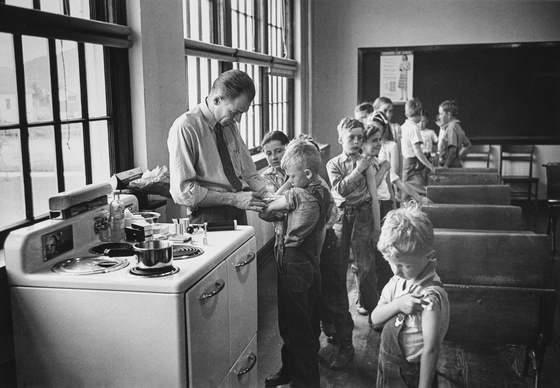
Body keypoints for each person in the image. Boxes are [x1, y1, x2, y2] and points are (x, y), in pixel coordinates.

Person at [259, 138, 332, 388]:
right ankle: (290, 370)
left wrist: (287, 186)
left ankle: (304, 381)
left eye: (291, 175)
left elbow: (265, 210)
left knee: (293, 325)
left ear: (307, 173)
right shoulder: (323, 191)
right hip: (310, 259)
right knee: (308, 321)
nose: (288, 179)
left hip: (292, 261)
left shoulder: (298, 195)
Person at [167, 69, 271, 224]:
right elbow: (183, 192)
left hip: (238, 208)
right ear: (216, 100)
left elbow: (248, 172)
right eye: (235, 112)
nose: (238, 120)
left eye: (242, 113)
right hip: (208, 214)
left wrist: (270, 197)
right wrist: (233, 199)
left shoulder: (228, 123)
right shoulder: (186, 127)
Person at [371, 202, 450, 388]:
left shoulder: (430, 297)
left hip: (413, 374)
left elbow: (431, 350)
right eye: (392, 263)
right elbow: (375, 318)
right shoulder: (396, 282)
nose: (397, 271)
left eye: (406, 265)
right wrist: (398, 304)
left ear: (427, 255)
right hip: (388, 365)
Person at [327, 118, 381, 318]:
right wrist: (358, 169)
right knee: (338, 264)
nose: (357, 142)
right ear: (341, 139)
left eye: (360, 138)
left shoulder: (367, 163)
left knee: (365, 263)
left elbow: (374, 196)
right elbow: (341, 189)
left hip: (363, 214)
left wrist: (377, 226)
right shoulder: (333, 164)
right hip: (342, 216)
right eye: (351, 137)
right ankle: (339, 311)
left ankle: (370, 307)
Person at [400, 98, 434, 199]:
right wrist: (431, 166)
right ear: (420, 113)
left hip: (405, 163)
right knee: (419, 193)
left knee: (406, 193)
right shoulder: (414, 128)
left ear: (406, 114)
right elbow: (417, 151)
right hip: (413, 164)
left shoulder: (403, 126)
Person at [436, 100, 472, 168]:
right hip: (454, 163)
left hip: (449, 166)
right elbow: (468, 145)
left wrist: (445, 166)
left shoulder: (451, 127)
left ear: (449, 115)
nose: (439, 117)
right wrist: (458, 158)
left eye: (441, 114)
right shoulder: (456, 126)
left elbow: (452, 150)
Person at [373, 97, 402, 177]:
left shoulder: (395, 128)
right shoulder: (371, 128)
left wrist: (398, 175)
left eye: (391, 111)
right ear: (376, 110)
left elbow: (399, 153)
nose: (388, 114)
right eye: (385, 110)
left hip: (391, 170)